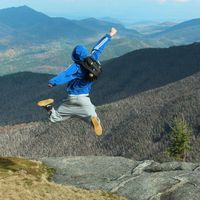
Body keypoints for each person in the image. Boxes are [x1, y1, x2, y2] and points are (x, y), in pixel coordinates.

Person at [37, 27, 117, 136]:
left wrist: (53, 81)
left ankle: (49, 107)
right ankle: (94, 120)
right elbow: (99, 48)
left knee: (56, 118)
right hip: (84, 99)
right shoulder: (93, 59)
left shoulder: (76, 66)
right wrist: (110, 34)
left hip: (71, 98)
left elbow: (65, 75)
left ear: (74, 57)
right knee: (91, 113)